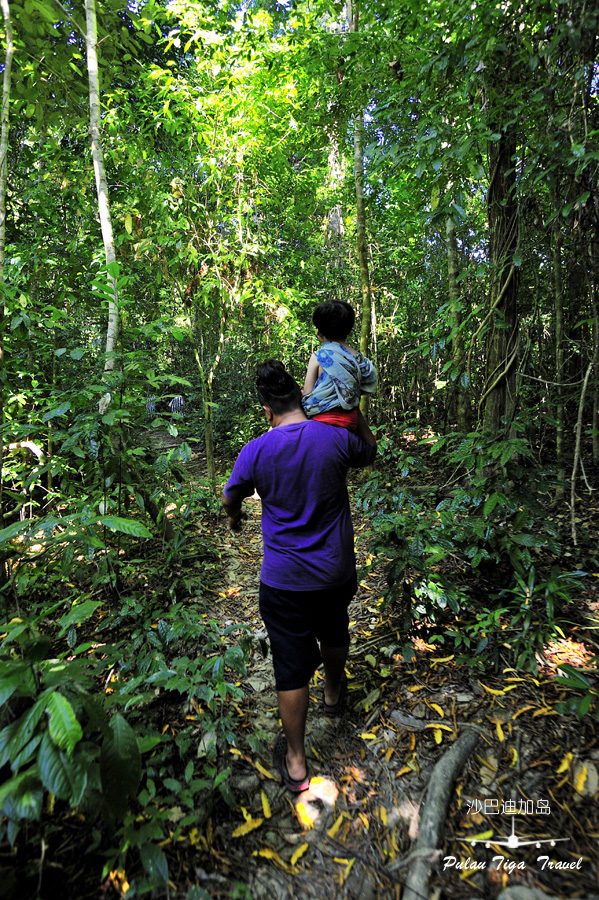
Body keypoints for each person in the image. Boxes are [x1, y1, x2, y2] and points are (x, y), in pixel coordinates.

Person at [222, 360, 377, 793]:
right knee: (333, 627)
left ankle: (295, 761)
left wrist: (234, 518)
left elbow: (230, 496)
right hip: (334, 571)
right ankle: (331, 694)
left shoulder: (256, 450)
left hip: (284, 580)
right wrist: (352, 409)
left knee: (289, 664)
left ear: (267, 411)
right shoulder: (335, 438)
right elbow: (371, 449)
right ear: (301, 400)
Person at [301, 300, 377, 432]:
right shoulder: (359, 359)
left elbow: (308, 394)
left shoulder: (319, 357)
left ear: (319, 332)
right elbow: (363, 387)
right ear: (349, 329)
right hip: (351, 422)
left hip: (323, 422)